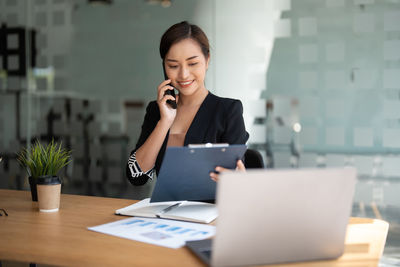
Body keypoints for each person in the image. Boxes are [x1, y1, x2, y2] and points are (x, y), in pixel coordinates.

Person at [126, 21, 249, 186]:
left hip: (211, 210)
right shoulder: (157, 110)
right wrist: (164, 122)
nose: (183, 74)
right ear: (164, 68)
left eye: (192, 64)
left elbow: (236, 175)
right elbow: (136, 176)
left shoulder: (227, 111)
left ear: (207, 60)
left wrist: (238, 178)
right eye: (173, 66)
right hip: (166, 210)